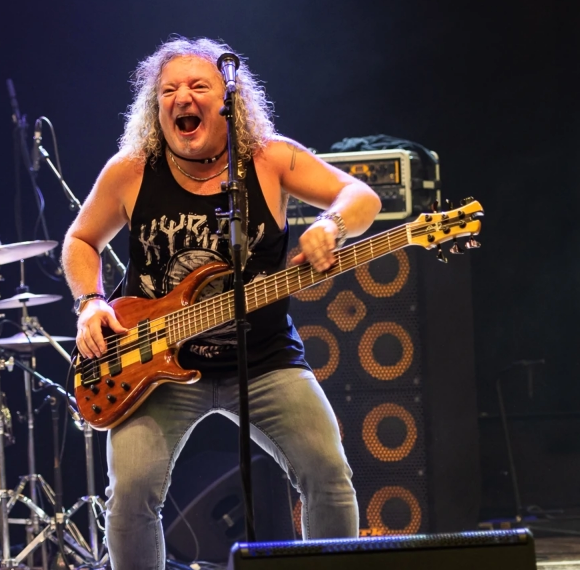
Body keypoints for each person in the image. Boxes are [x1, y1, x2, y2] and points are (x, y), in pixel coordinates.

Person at [62, 37, 382, 569]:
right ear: (155, 107)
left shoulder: (269, 159)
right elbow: (80, 239)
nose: (181, 98)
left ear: (230, 100)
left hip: (264, 360)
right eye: (168, 90)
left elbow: (361, 196)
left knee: (327, 473)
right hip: (153, 364)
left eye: (197, 86)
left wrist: (331, 225)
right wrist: (91, 302)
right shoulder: (131, 170)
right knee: (131, 492)